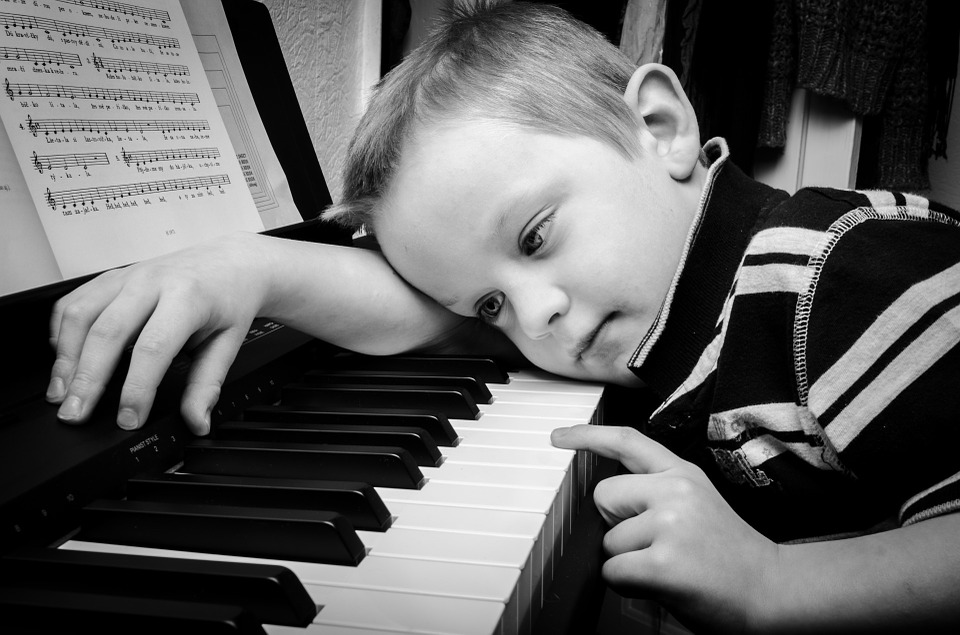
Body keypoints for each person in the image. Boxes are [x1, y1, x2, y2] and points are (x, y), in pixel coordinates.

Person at [44, 1, 960, 632]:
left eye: (533, 237)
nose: (537, 320)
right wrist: (250, 265)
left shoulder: (833, 273)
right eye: (491, 303)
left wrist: (774, 587)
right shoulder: (643, 298)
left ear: (662, 127)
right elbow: (424, 315)